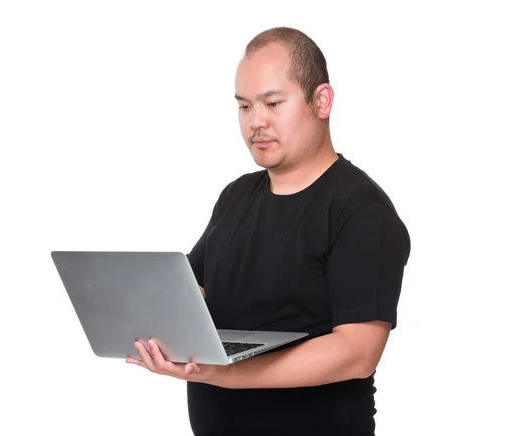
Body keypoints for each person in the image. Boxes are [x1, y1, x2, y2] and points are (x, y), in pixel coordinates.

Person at [126, 26, 411, 435]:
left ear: (322, 101)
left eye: (273, 103)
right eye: (244, 107)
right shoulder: (236, 196)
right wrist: (150, 319)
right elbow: (192, 290)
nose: (256, 122)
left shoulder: (361, 210)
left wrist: (223, 372)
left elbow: (356, 352)